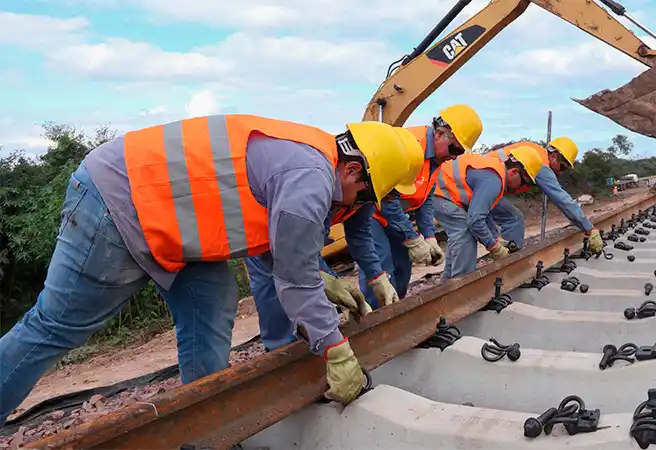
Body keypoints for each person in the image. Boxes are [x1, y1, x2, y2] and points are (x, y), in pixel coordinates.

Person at [0, 114, 423, 424]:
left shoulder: (312, 157)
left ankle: (206, 422)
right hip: (117, 199)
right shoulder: (308, 178)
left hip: (172, 220)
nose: (355, 207)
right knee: (55, 326)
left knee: (213, 302)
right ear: (352, 169)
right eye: (363, 196)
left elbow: (269, 246)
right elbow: (294, 282)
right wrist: (337, 351)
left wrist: (322, 280)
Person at [355, 104, 483, 309]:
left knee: (402, 270)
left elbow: (426, 198)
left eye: (459, 153)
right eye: (455, 149)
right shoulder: (410, 146)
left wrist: (429, 236)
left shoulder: (437, 158)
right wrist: (413, 239)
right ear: (440, 133)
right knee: (381, 272)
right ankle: (376, 323)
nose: (454, 156)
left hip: (396, 218)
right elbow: (389, 201)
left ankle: (397, 317)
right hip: (372, 214)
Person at [432, 145, 545, 281]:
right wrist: (494, 247)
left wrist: (496, 238)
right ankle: (461, 287)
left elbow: (481, 213)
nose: (522, 188)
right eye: (523, 183)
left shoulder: (495, 173)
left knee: (460, 236)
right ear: (514, 172)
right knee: (464, 234)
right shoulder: (493, 181)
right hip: (437, 192)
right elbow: (475, 220)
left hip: (443, 192)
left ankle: (447, 285)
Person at [487, 139, 603, 254]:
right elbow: (563, 200)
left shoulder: (534, 150)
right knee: (513, 220)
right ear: (553, 156)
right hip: (485, 183)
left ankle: (500, 251)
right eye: (562, 167)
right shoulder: (540, 165)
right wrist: (589, 229)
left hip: (480, 179)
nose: (561, 172)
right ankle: (508, 262)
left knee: (506, 218)